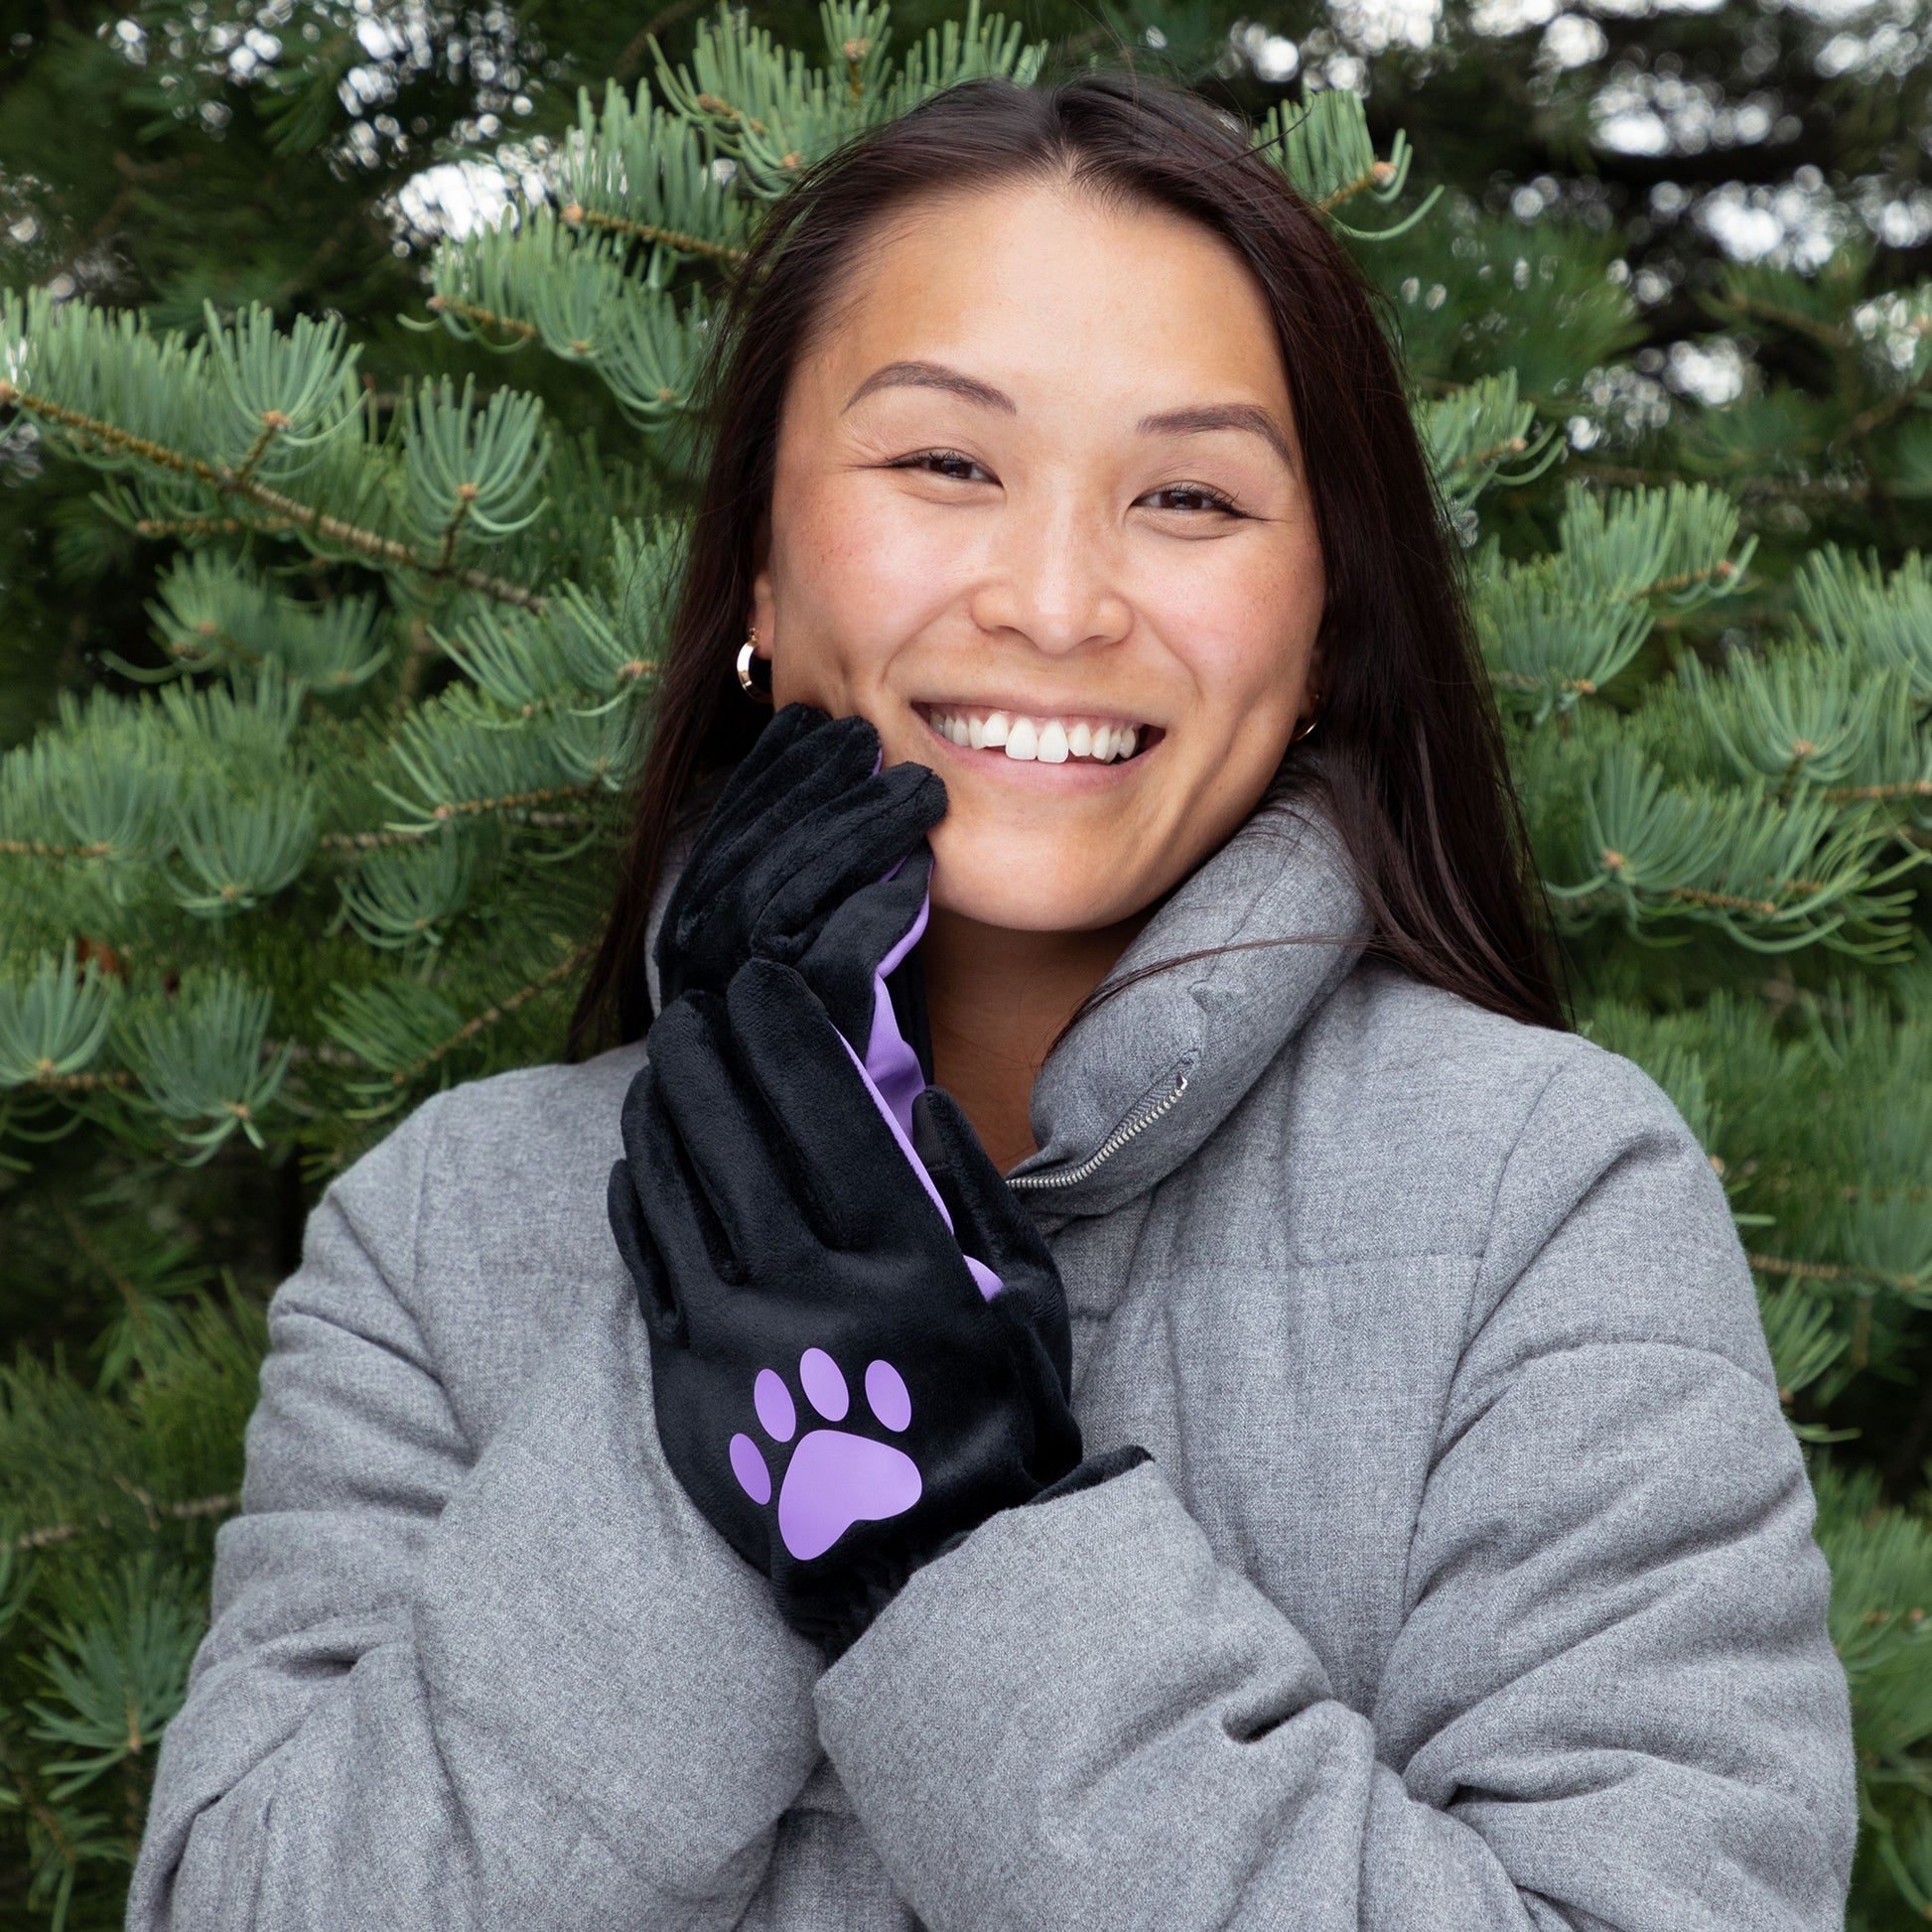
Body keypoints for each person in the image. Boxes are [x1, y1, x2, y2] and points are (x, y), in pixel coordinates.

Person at [131, 73, 1856, 1931]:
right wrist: (729, 1359)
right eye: (947, 463)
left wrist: (957, 1538)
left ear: (1323, 621)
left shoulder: (1544, 1193)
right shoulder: (439, 1230)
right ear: (764, 571)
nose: (1054, 598)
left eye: (1187, 495)